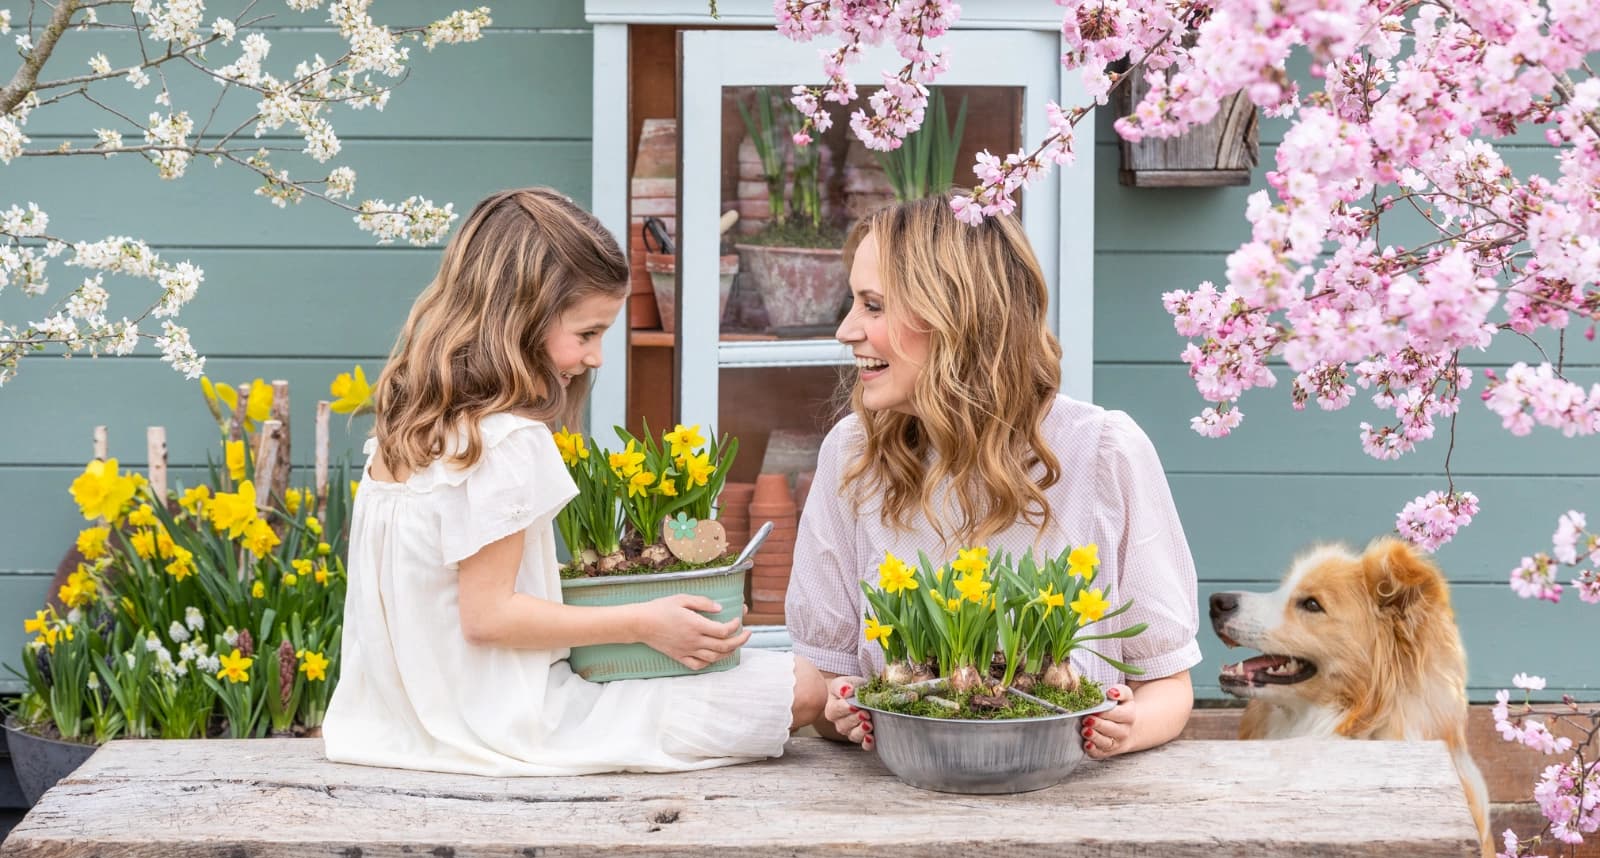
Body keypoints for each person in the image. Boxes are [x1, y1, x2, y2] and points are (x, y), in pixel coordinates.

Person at [323, 187, 826, 775]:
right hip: (519, 724)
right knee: (804, 686)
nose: (597, 358)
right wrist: (644, 623)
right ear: (521, 319)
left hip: (396, 727)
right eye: (586, 333)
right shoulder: (507, 439)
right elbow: (488, 618)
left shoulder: (404, 431)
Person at [786, 193, 1200, 759]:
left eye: (873, 305)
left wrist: (1127, 727)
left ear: (956, 314)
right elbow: (831, 686)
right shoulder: (854, 457)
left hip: (1071, 800)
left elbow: (1169, 687)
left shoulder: (1102, 453)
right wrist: (845, 713)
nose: (846, 330)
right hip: (898, 804)